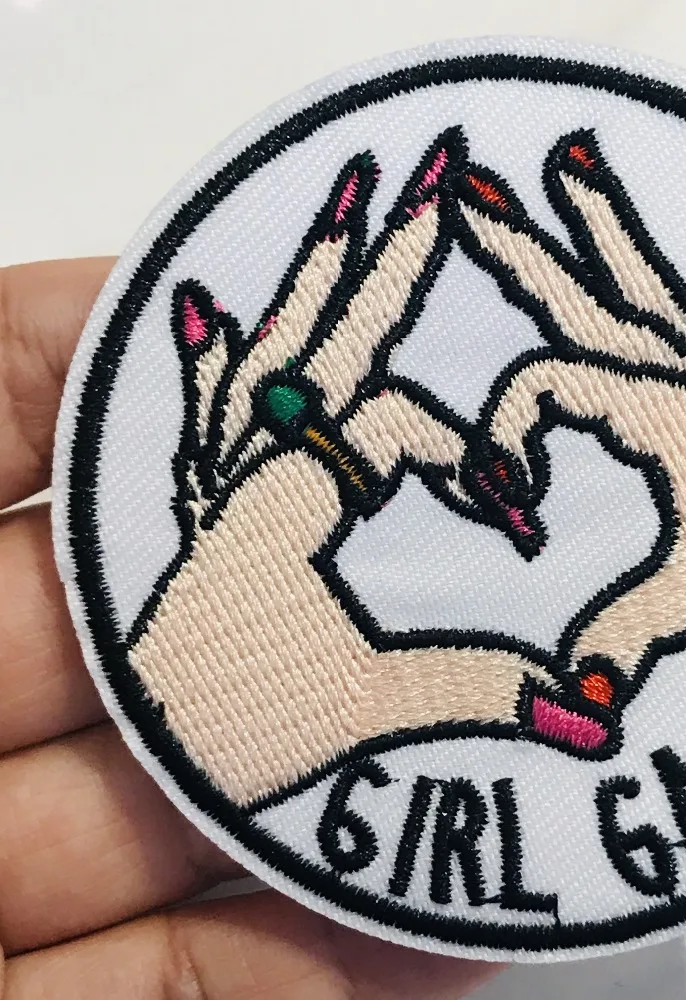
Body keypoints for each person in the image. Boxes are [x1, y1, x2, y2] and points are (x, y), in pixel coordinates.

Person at [0, 258, 500, 1000]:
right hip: (242, 622)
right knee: (398, 677)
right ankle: (526, 694)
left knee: (286, 481)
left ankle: (521, 691)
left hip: (217, 601)